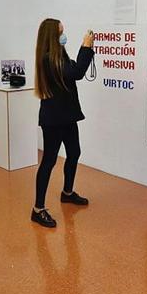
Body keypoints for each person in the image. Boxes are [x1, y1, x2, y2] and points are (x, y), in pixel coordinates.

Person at [33, 18, 95, 228]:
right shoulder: (49, 58)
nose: (63, 35)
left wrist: (85, 50)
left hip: (67, 116)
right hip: (53, 119)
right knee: (49, 161)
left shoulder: (58, 55)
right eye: (61, 32)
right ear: (52, 36)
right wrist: (86, 46)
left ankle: (67, 193)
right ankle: (38, 209)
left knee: (74, 152)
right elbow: (76, 73)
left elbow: (72, 70)